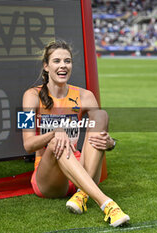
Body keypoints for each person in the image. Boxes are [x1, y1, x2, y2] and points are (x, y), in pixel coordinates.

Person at [22, 40, 130, 227]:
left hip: (81, 169)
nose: (63, 65)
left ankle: (82, 194)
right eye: (56, 61)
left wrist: (110, 143)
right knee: (57, 142)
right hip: (50, 179)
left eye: (67, 61)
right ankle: (106, 204)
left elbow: (100, 133)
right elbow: (28, 144)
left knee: (101, 115)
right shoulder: (30, 96)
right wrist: (54, 133)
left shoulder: (85, 95)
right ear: (46, 66)